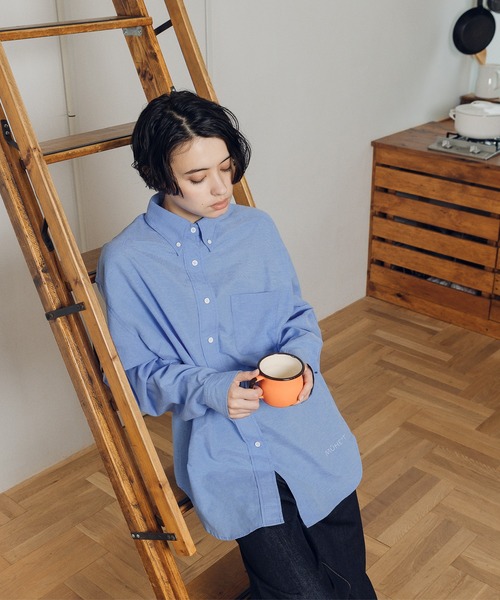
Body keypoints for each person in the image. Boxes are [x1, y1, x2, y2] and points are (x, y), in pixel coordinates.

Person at [96, 90, 376, 600]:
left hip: (306, 433)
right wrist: (210, 389)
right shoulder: (127, 261)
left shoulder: (257, 230)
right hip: (227, 456)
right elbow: (135, 377)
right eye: (197, 178)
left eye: (226, 168)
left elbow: (297, 317)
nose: (221, 188)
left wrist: (303, 361)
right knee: (300, 594)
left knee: (351, 585)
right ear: (158, 174)